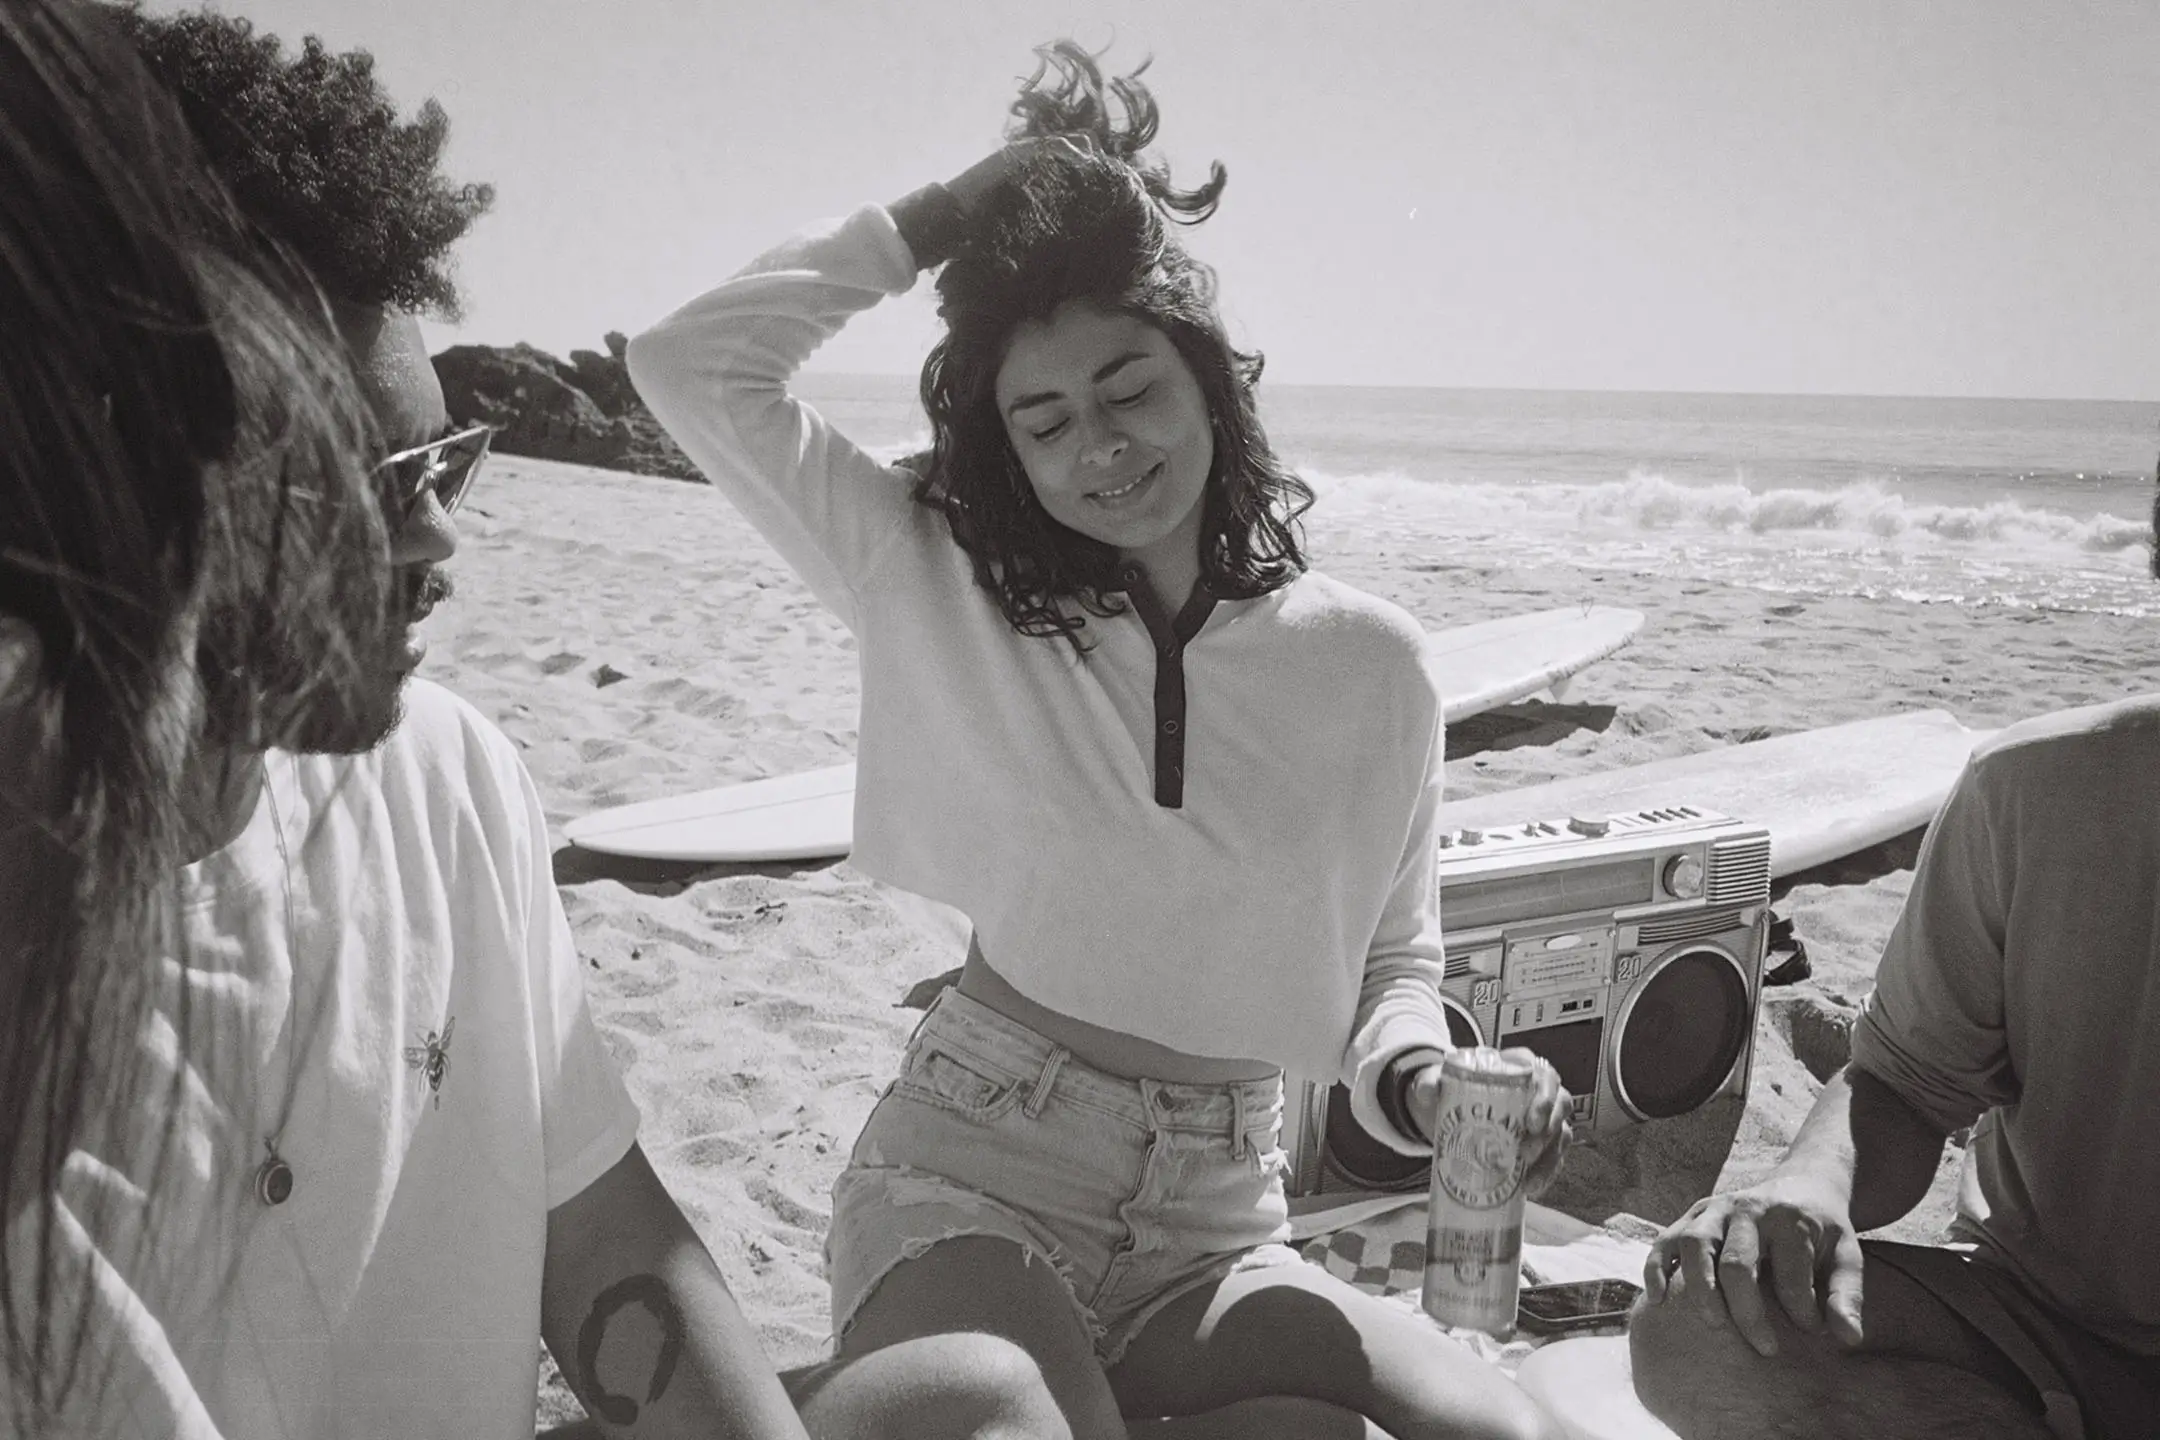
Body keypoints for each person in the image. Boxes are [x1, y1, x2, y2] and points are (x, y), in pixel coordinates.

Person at [7, 6, 1055, 1437]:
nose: (440, 542)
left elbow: (598, 1229)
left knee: (979, 1398)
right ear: (135, 486)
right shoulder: (41, 922)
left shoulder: (449, 772)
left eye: (453, 462)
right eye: (373, 485)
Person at [630, 42, 1573, 1440]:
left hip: (1221, 1214)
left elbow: (1395, 957)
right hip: (973, 1179)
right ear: (1006, 446)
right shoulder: (933, 578)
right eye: (1045, 419)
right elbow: (689, 367)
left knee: (1503, 1429)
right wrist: (934, 217)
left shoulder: (1372, 664)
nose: (1102, 449)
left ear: (1206, 382)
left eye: (1130, 390)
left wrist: (1424, 1076)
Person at [1626, 683, 2160, 1434]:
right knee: (1698, 1321)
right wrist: (1808, 1188)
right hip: (2048, 1325)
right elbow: (1905, 1084)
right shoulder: (2037, 783)